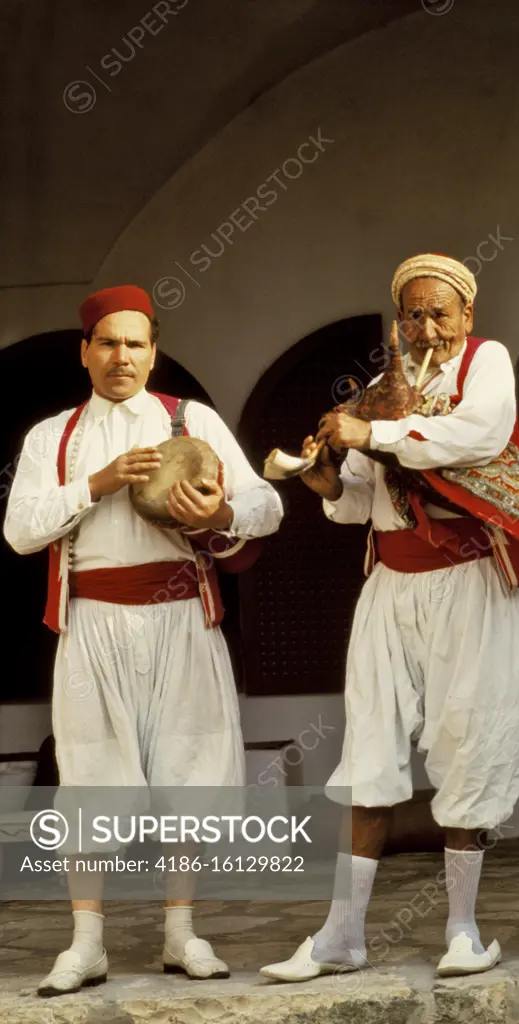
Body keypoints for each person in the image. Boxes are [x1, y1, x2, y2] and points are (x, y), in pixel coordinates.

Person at [260, 253, 519, 982]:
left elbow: (477, 437)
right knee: (368, 746)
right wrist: (325, 475)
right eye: (413, 314)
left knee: (468, 741)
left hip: (467, 582)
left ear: (465, 316)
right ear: (398, 321)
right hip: (390, 586)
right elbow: (359, 503)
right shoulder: (376, 390)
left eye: (440, 313)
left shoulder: (484, 366)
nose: (427, 327)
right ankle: (341, 934)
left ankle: (461, 929)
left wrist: (374, 436)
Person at [4, 285, 284, 996]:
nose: (120, 356)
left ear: (153, 353)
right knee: (91, 774)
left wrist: (217, 509)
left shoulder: (193, 422)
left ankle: (180, 932)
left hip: (180, 618)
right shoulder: (54, 438)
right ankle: (86, 942)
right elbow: (19, 531)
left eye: (134, 343)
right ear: (85, 352)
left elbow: (268, 506)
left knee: (187, 771)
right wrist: (93, 485)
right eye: (107, 342)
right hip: (93, 622)